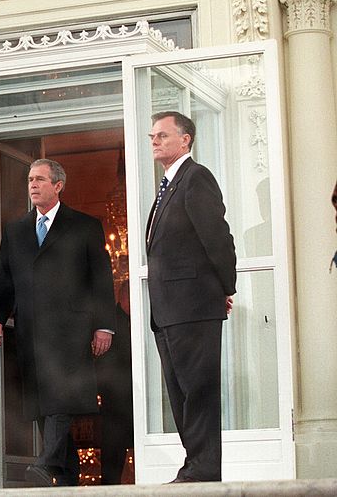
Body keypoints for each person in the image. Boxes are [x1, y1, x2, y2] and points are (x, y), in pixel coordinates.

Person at [0, 158, 116, 487]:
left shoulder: (84, 225)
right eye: (30, 179)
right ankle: (69, 480)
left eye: (40, 179)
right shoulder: (16, 230)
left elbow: (100, 279)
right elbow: (6, 281)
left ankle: (45, 464)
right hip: (32, 332)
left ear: (58, 185)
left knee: (61, 398)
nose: (32, 185)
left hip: (71, 330)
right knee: (45, 406)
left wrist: (104, 325)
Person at [146, 111, 236, 482]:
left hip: (193, 307)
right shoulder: (168, 183)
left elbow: (217, 237)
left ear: (185, 140)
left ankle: (203, 469)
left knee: (198, 391)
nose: (154, 141)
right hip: (169, 311)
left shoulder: (196, 178)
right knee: (181, 395)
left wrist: (223, 288)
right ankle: (195, 465)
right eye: (152, 136)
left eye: (162, 135)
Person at [95, 282, 133, 485]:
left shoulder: (140, 320)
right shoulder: (110, 324)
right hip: (115, 398)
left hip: (134, 396)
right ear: (125, 296)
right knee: (113, 452)